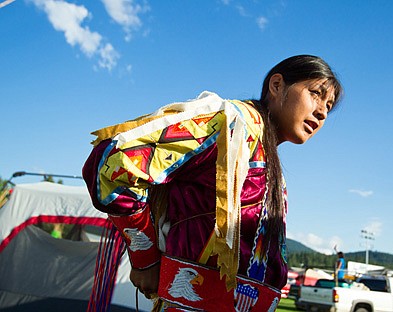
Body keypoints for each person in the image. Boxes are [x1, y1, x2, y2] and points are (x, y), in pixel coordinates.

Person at [83, 54, 343, 311]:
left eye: (329, 106)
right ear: (277, 85)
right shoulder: (229, 125)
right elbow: (113, 164)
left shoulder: (269, 161)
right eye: (315, 94)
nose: (322, 112)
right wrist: (145, 258)